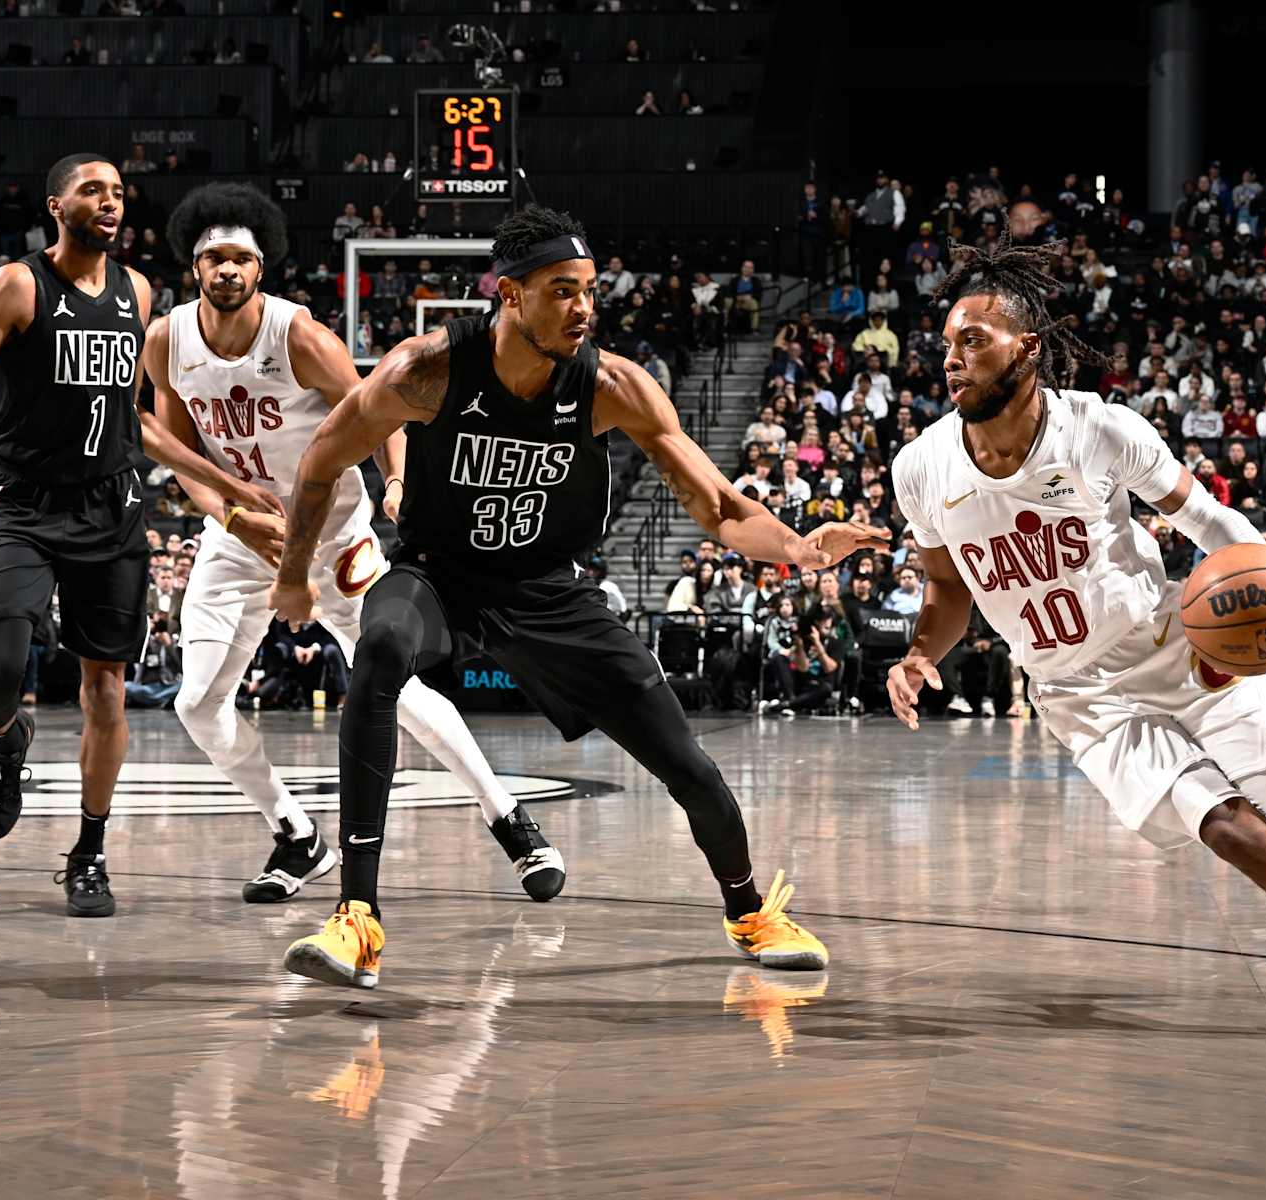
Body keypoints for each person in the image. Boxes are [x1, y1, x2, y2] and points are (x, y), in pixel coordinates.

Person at [887, 236, 1266, 1050]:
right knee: (1231, 832)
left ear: (1028, 348)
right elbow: (948, 590)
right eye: (947, 345)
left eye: (974, 340)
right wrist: (918, 654)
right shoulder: (922, 467)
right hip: (1083, 700)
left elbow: (1204, 519)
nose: (953, 360)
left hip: (1179, 652)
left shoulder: (1100, 431)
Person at [270, 205, 885, 989]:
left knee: (685, 761)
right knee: (379, 648)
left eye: (590, 290)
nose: (585, 308)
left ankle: (749, 909)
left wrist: (797, 547)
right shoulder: (426, 370)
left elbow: (721, 509)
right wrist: (293, 574)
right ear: (511, 296)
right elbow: (320, 463)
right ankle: (356, 918)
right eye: (563, 291)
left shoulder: (610, 385)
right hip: (437, 576)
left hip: (549, 592)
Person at [146, 183, 561, 904]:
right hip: (242, 537)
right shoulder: (167, 340)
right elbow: (184, 460)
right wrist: (238, 520)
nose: (227, 270)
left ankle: (511, 819)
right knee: (196, 704)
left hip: (334, 530)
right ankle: (296, 836)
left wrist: (398, 481)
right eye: (214, 257)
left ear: (261, 266)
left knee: (394, 684)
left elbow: (384, 411)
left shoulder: (298, 336)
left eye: (240, 257)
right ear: (194, 266)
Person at [0, 153, 283, 919]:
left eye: (117, 192)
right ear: (57, 205)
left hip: (110, 513)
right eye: (92, 191)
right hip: (24, 506)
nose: (110, 202)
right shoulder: (17, 287)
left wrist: (226, 481)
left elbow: (137, 421)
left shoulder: (138, 292)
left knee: (105, 690)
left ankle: (88, 852)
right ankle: (7, 741)